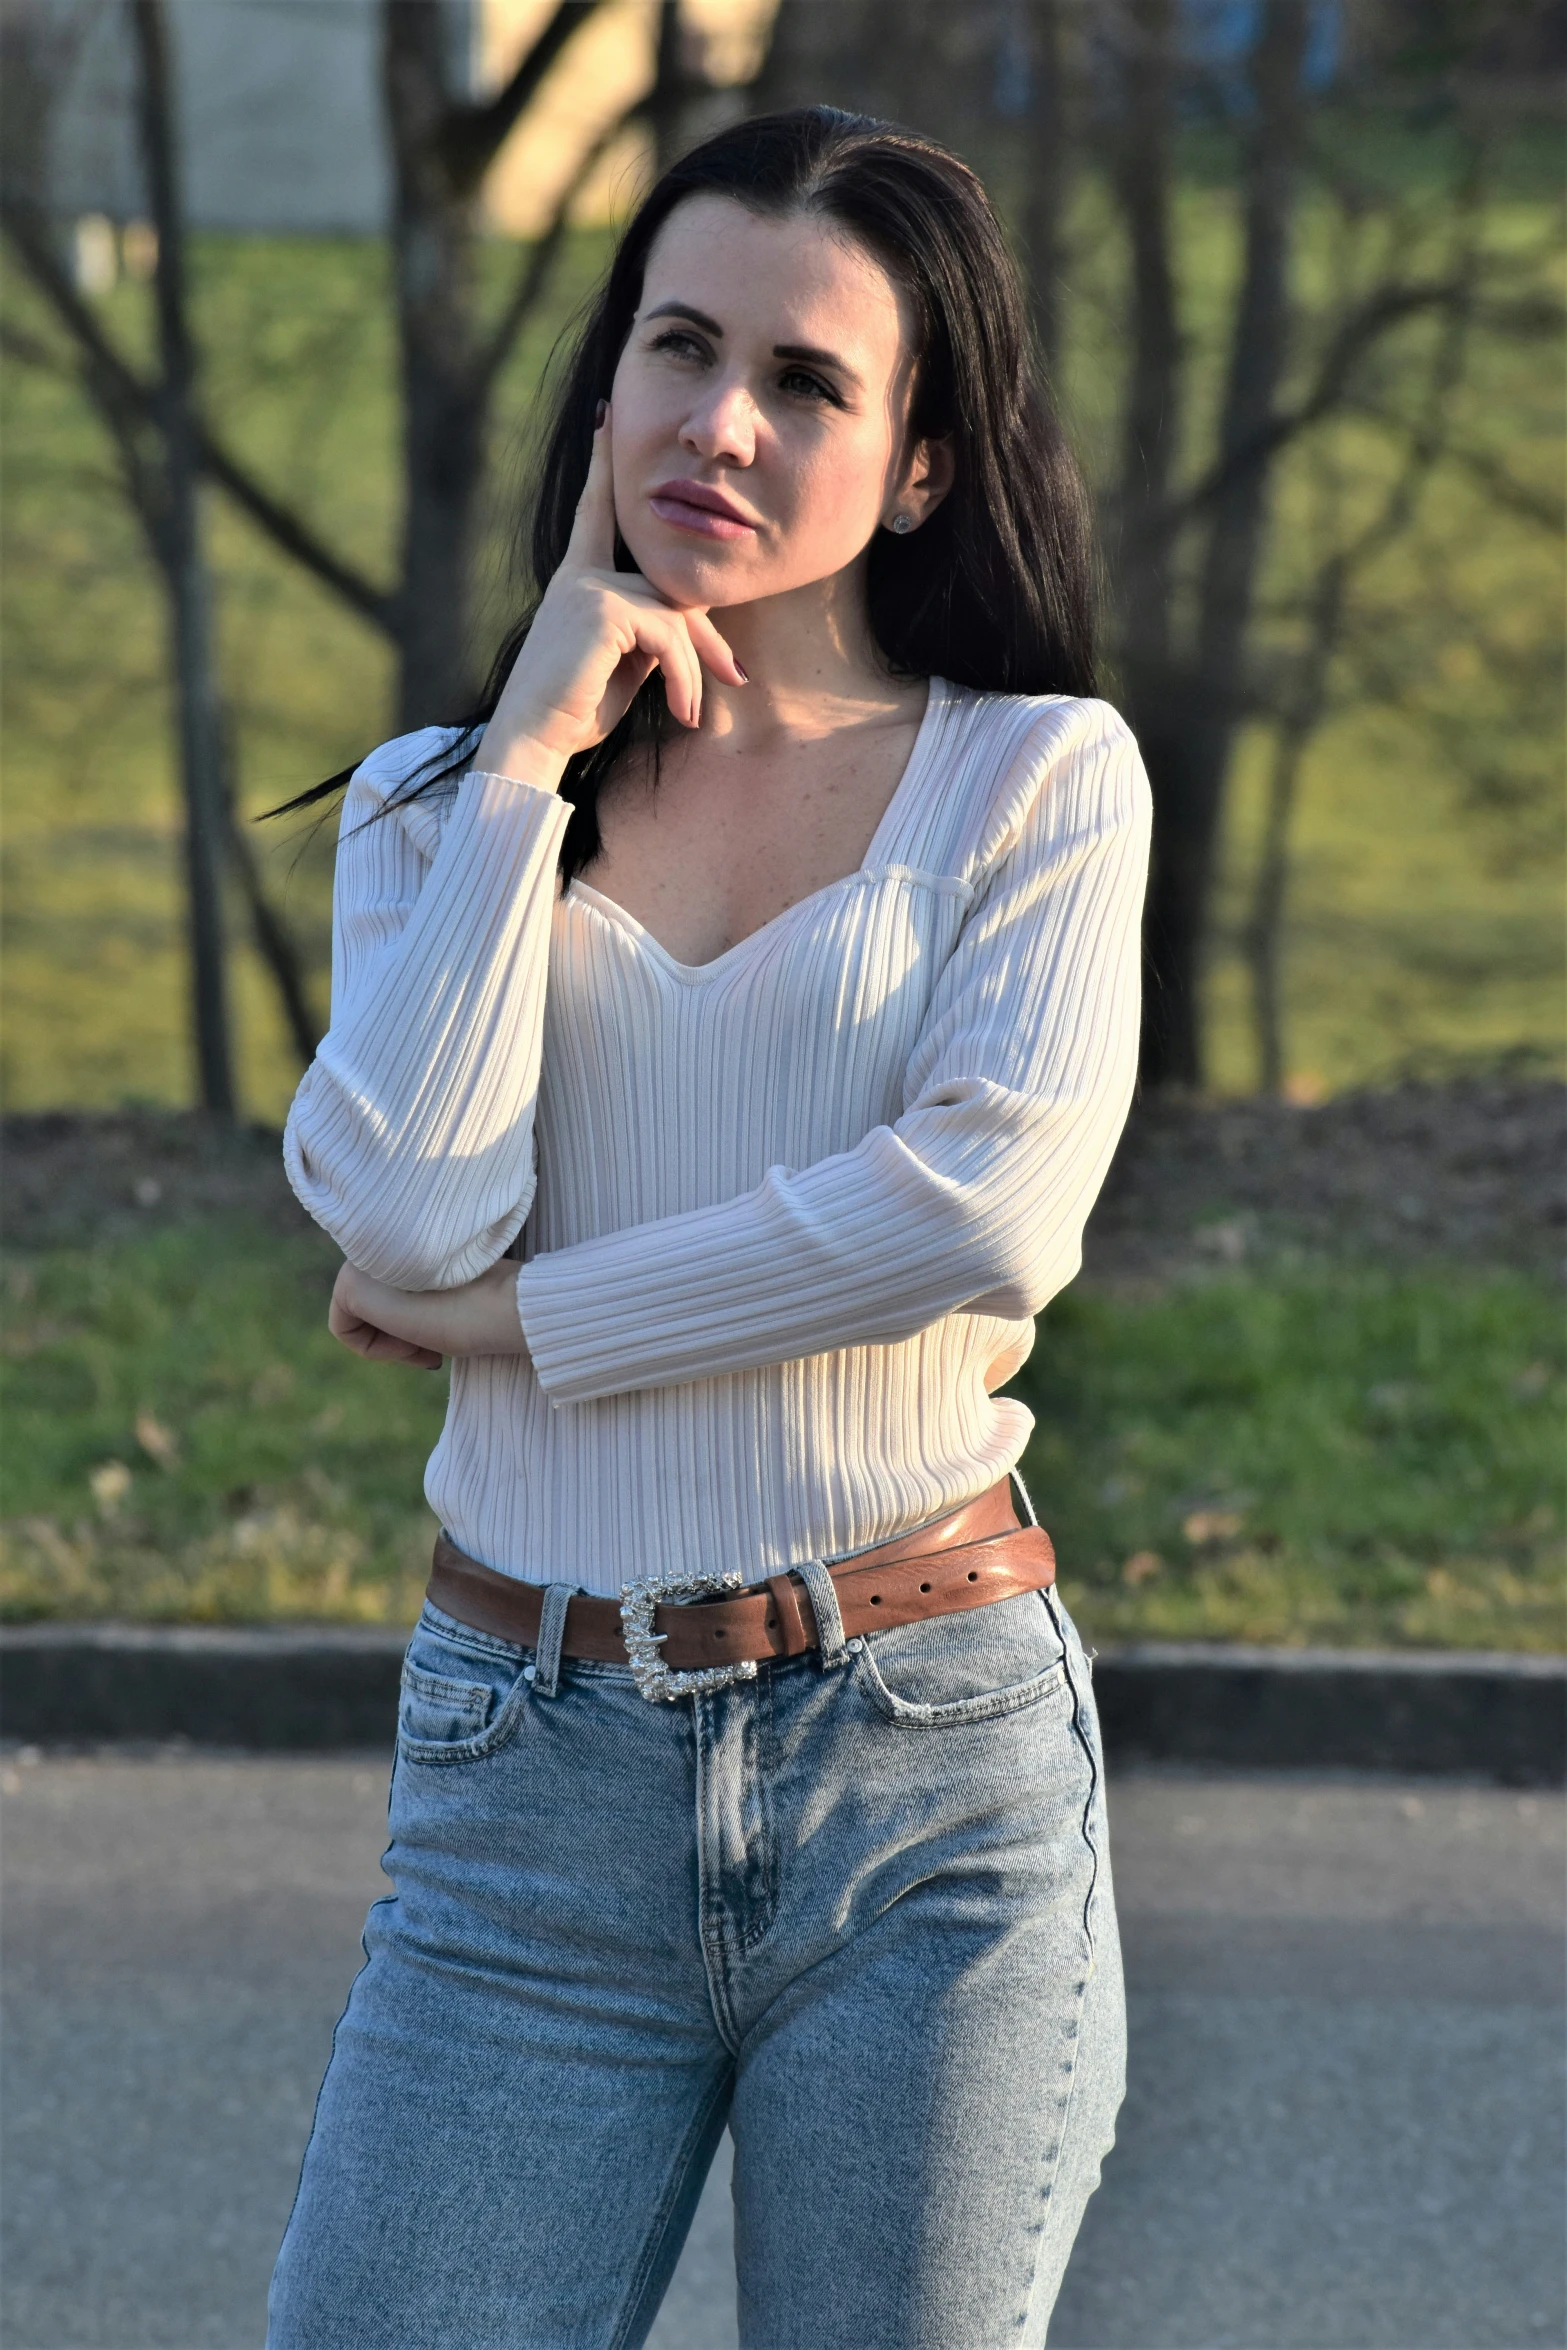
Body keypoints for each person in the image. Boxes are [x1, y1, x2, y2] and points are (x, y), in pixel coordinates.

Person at [265, 104, 1150, 2350]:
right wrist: (532, 752)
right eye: (678, 344)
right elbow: (389, 1199)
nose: (720, 422)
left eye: (810, 380)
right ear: (607, 382)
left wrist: (529, 1323)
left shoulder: (1037, 781)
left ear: (925, 462)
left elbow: (980, 1211)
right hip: (520, 1792)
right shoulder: (433, 804)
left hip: (923, 1778)